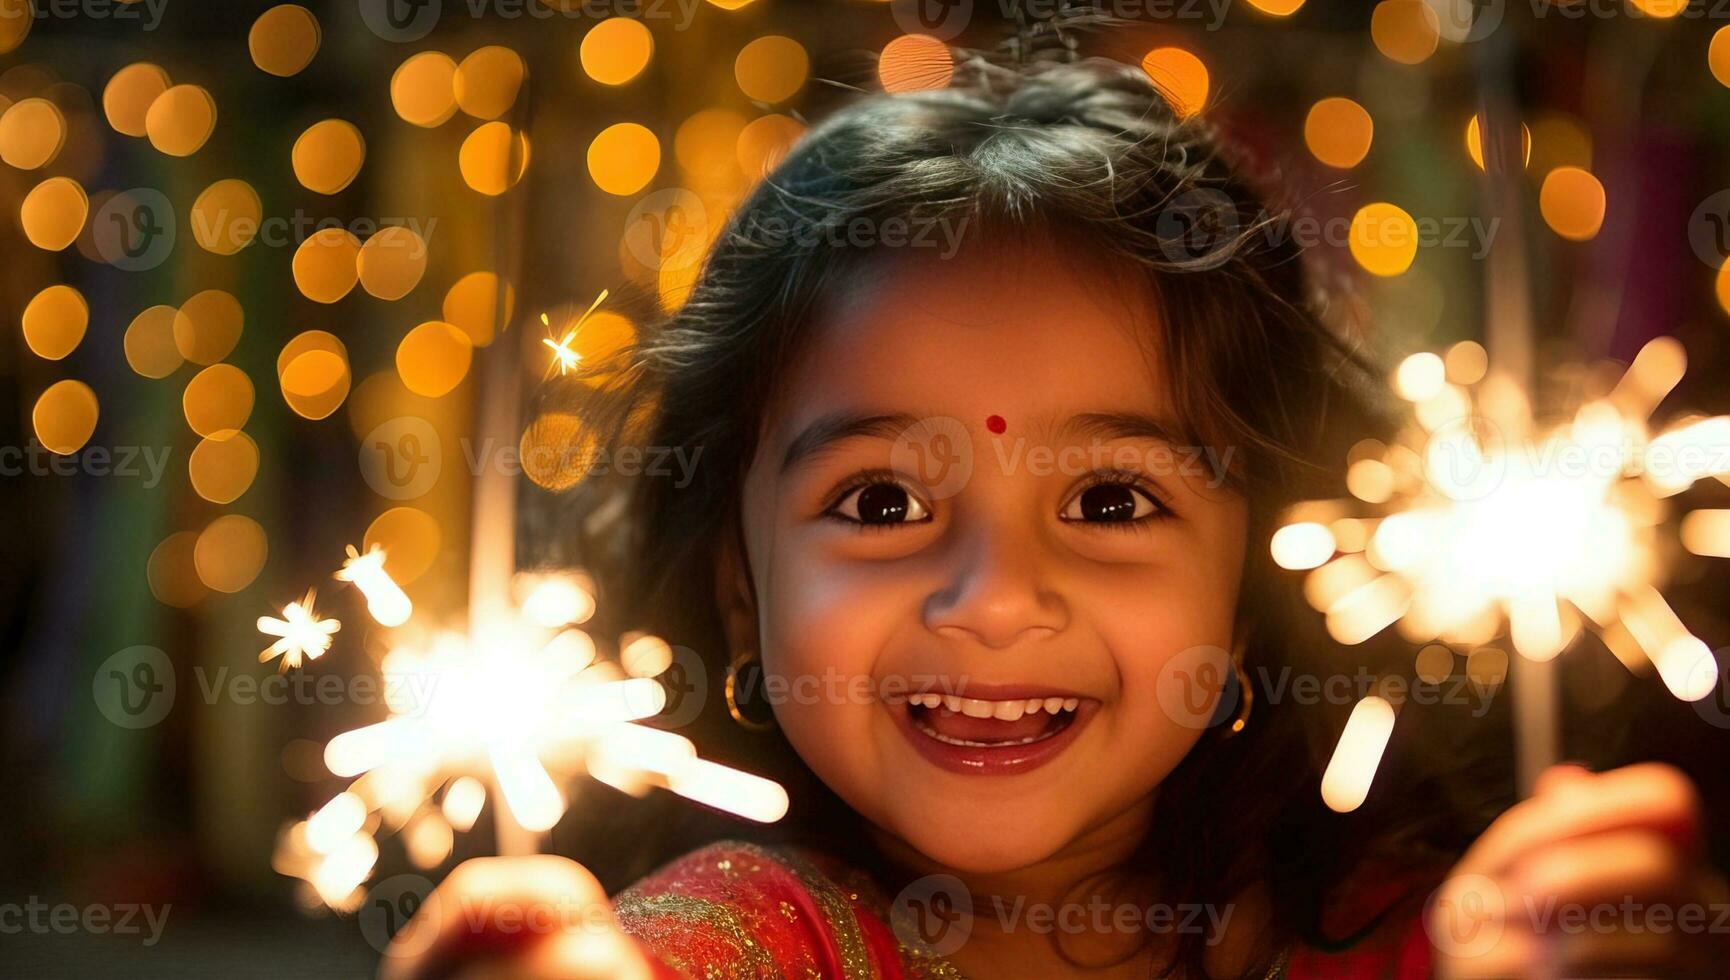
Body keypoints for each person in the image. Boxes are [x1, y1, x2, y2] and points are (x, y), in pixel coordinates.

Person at [380, 54, 1723, 978]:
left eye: (1108, 498)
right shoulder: (735, 941)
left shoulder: (1454, 933)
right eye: (881, 500)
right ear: (738, 581)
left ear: (1253, 565)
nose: (997, 597)